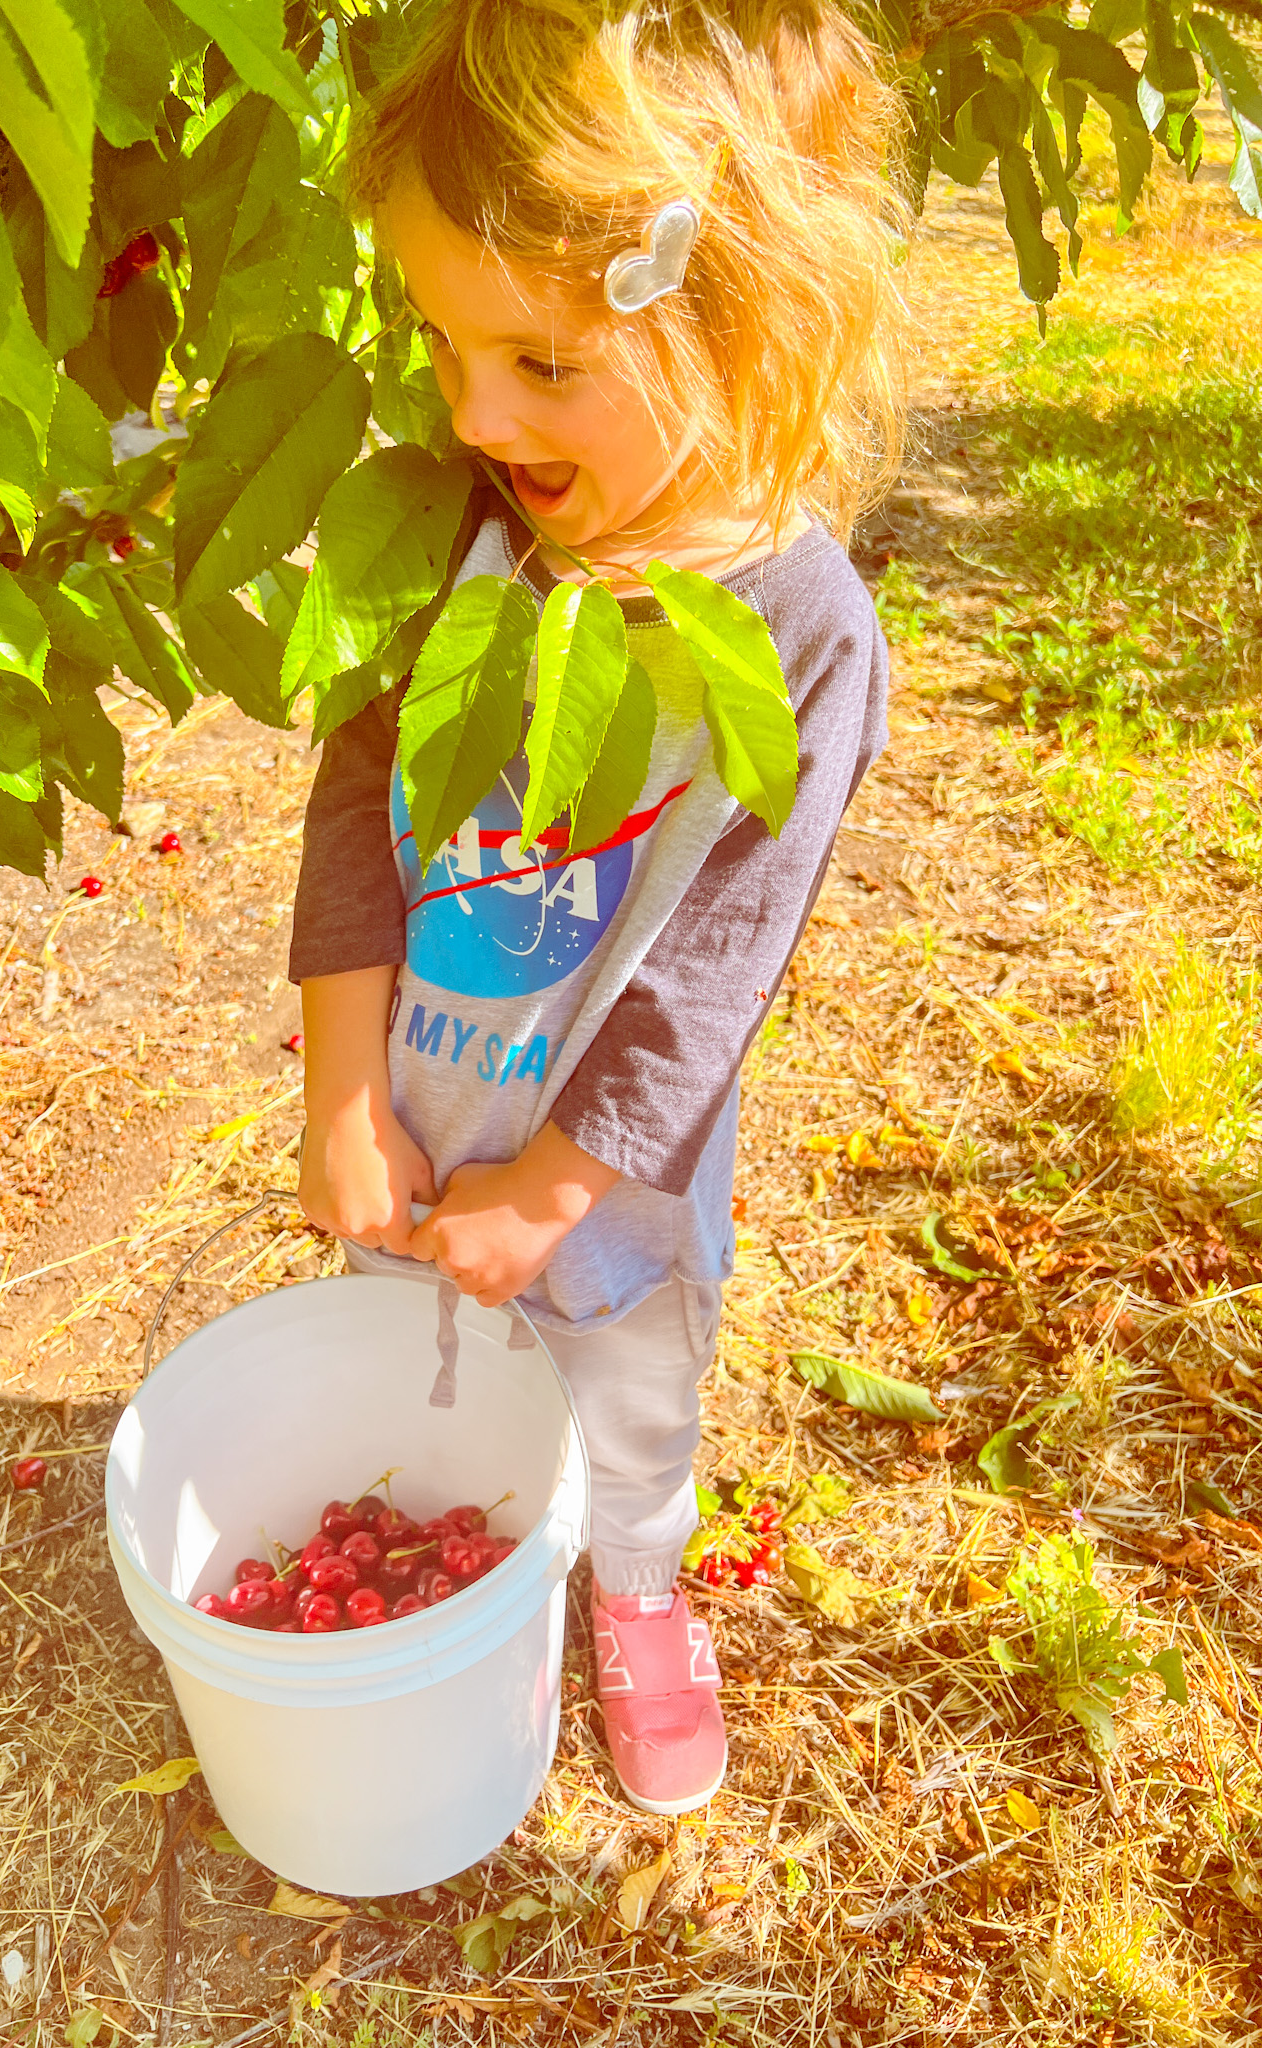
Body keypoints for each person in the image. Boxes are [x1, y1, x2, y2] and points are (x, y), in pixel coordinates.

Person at [289, 0, 907, 1816]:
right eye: (440, 342)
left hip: (609, 1177)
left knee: (628, 1406)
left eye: (544, 365)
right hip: (420, 1112)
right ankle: (457, 1561)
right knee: (425, 1390)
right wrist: (342, 1093)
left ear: (746, 327)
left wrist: (555, 1193)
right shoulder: (449, 532)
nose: (474, 412)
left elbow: (715, 971)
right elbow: (353, 793)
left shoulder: (793, 634)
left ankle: (637, 1590)